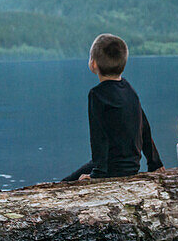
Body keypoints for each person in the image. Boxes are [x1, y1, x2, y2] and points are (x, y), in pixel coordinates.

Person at [61, 34, 163, 181]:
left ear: (93, 64)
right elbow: (144, 127)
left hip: (109, 169)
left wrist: (97, 176)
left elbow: (99, 137)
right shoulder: (129, 89)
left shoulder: (97, 94)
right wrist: (155, 163)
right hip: (132, 167)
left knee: (65, 183)